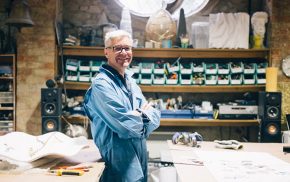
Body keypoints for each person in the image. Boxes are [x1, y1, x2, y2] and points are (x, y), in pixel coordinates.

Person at [83, 30, 161, 182]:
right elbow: (125, 127)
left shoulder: (130, 82)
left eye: (128, 48)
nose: (124, 52)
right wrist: (144, 116)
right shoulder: (101, 85)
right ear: (106, 52)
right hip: (118, 161)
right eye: (118, 48)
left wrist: (138, 116)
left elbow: (155, 116)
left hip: (139, 156)